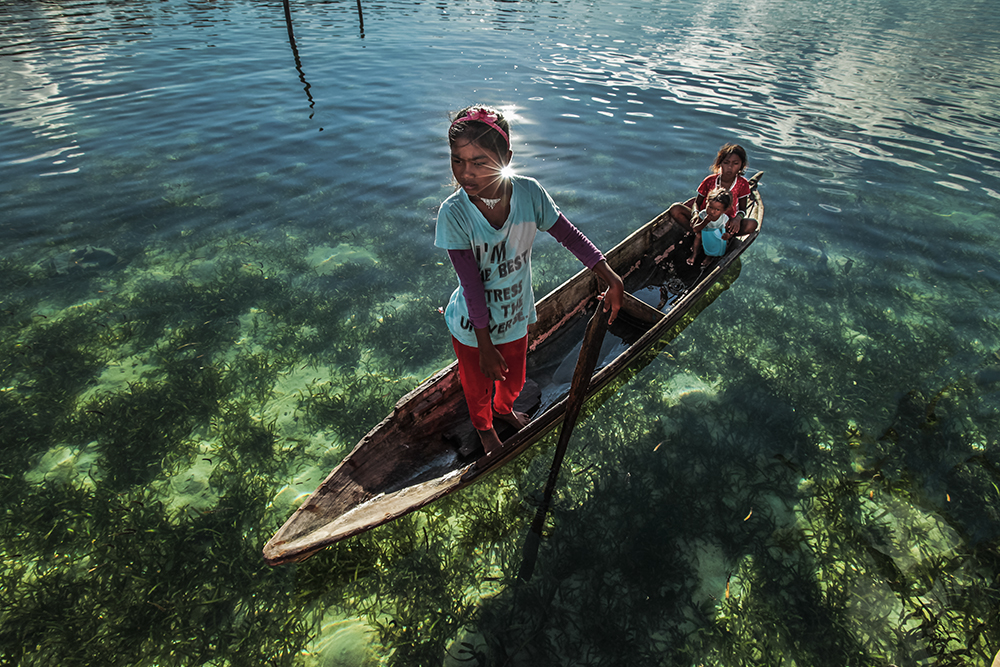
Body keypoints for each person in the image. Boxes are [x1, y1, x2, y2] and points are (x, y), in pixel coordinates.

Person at [435, 105, 625, 456]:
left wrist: (610, 276)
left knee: (514, 381)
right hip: (472, 327)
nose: (466, 173)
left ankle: (503, 410)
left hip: (516, 314)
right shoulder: (454, 213)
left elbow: (570, 236)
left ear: (506, 156)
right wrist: (485, 345)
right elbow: (472, 284)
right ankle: (483, 426)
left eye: (479, 161)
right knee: (477, 387)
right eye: (457, 160)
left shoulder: (530, 194)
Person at [668, 142, 758, 238]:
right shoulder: (710, 181)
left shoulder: (742, 184)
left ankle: (726, 236)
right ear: (720, 163)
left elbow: (742, 209)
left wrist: (738, 219)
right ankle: (698, 234)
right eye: (726, 163)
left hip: (725, 223)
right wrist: (695, 214)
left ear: (741, 165)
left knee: (752, 224)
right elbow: (697, 203)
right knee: (676, 209)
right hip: (704, 219)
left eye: (735, 164)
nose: (730, 167)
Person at [687, 188, 732, 266]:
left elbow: (727, 231)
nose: (712, 211)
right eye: (710, 207)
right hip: (705, 233)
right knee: (698, 235)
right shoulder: (703, 214)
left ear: (724, 210)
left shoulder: (724, 219)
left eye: (717, 209)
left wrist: (728, 235)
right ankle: (694, 254)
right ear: (707, 202)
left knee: (720, 241)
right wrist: (705, 221)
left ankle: (709, 257)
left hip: (716, 236)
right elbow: (695, 229)